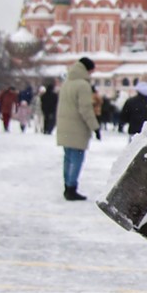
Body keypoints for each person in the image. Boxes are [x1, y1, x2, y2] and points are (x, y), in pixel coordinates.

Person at [57, 56, 98, 201]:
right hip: (77, 128)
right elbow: (85, 109)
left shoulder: (67, 83)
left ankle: (67, 186)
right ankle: (71, 188)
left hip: (65, 127)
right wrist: (95, 127)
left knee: (68, 158)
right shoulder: (83, 85)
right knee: (77, 159)